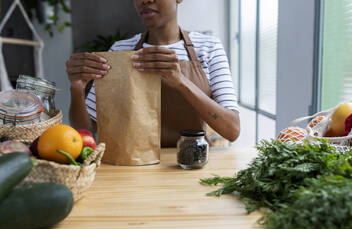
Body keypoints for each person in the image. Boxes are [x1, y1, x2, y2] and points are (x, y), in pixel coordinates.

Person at [66, 0, 240, 147]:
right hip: (133, 167)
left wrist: (181, 81)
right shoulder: (120, 50)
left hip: (191, 163)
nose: (146, 0)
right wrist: (77, 89)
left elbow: (232, 130)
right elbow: (87, 131)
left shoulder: (208, 48)